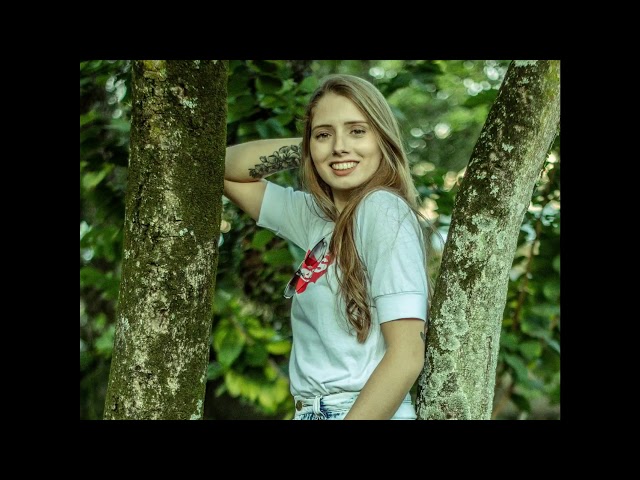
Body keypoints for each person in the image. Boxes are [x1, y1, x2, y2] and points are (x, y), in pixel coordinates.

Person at [224, 73, 436, 420]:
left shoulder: (382, 210)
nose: (339, 146)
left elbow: (407, 354)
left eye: (357, 131)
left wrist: (326, 141)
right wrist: (312, 148)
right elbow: (225, 169)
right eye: (324, 134)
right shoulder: (317, 217)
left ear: (382, 138)